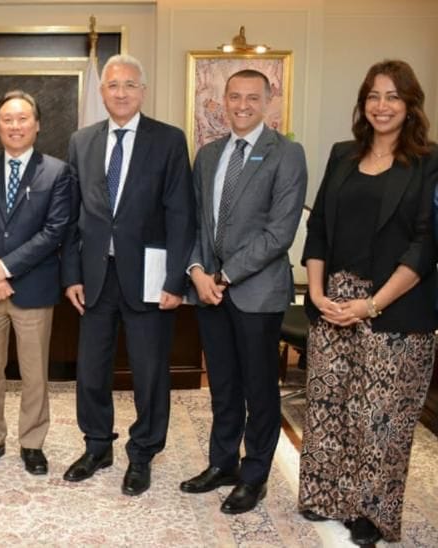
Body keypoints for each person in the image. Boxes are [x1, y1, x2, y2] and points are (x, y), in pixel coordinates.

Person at [298, 59, 437, 546]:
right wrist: (317, 294)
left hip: (394, 308)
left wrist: (371, 305)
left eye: (393, 96)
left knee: (379, 418)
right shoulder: (342, 154)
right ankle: (325, 496)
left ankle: (371, 512)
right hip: (333, 302)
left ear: (410, 105)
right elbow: (318, 227)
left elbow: (425, 245)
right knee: (330, 406)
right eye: (374, 96)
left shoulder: (430, 162)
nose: (382, 106)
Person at [61, 53, 195, 495]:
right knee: (91, 370)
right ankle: (97, 446)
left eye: (130, 85)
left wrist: (175, 280)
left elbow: (181, 214)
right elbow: (71, 214)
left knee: (149, 372)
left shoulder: (168, 140)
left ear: (143, 91)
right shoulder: (82, 140)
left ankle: (142, 453)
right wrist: (72, 275)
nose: (121, 93)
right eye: (113, 85)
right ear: (102, 92)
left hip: (149, 278)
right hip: (96, 276)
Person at [180, 69, 307, 513]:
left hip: (257, 293)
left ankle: (254, 477)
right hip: (210, 292)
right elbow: (196, 223)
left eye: (253, 97)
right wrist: (197, 271)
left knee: (259, 389)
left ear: (269, 102)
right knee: (223, 385)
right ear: (223, 101)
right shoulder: (209, 154)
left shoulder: (286, 154)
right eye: (234, 96)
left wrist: (225, 275)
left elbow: (279, 233)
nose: (242, 105)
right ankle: (222, 464)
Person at [0, 90, 73, 475]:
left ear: (37, 125)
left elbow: (55, 230)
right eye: (7, 119)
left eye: (23, 118)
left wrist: (5, 268)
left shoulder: (56, 171)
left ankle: (32, 443)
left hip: (33, 288)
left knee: (34, 373)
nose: (15, 126)